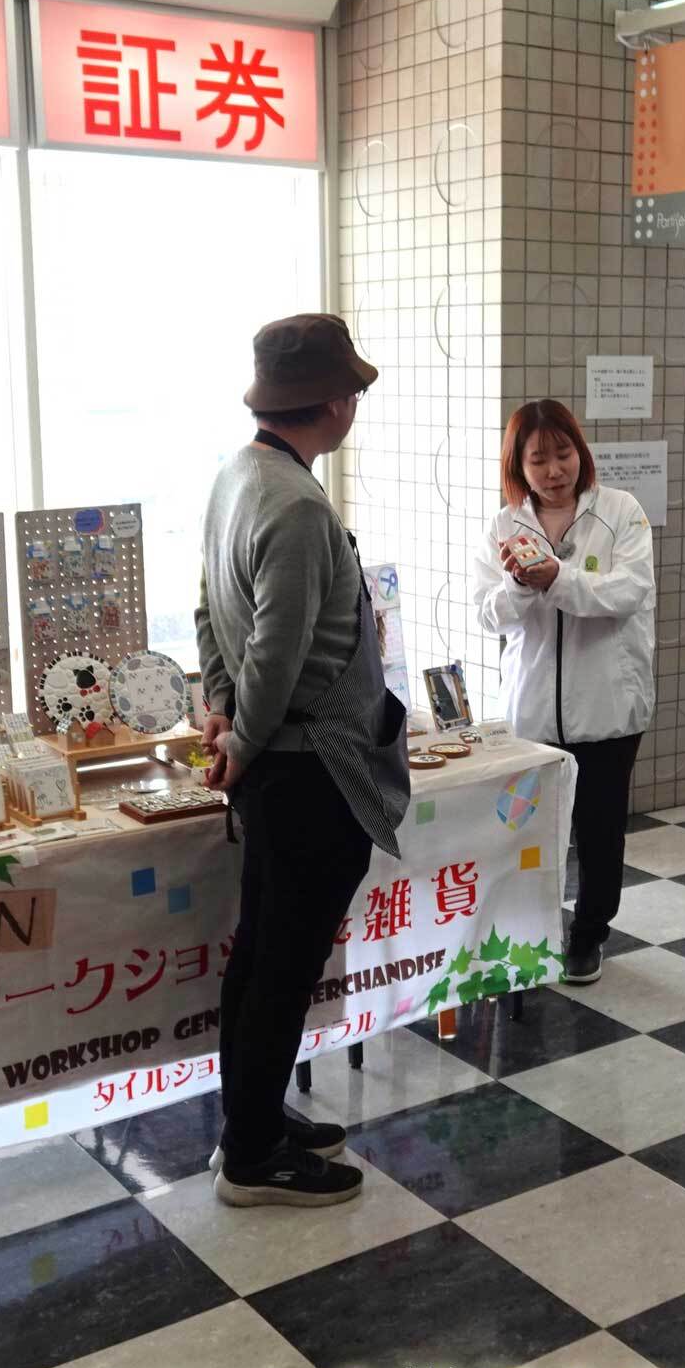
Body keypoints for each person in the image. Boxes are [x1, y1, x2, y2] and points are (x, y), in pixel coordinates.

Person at [197, 313, 410, 1208]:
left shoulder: (238, 475)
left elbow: (209, 609)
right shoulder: (295, 505)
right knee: (282, 967)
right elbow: (277, 654)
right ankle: (253, 1157)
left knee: (261, 956)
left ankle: (250, 1118)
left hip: (276, 764)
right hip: (306, 771)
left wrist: (220, 713)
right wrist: (242, 743)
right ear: (335, 400)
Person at [473, 400, 655, 985]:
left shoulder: (621, 511)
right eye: (538, 459)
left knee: (599, 831)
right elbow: (487, 614)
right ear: (518, 467)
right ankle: (529, 933)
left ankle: (588, 934)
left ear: (581, 452)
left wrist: (558, 577)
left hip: (608, 706)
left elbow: (627, 592)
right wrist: (520, 586)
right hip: (530, 714)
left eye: (563, 453)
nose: (554, 470)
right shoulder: (504, 526)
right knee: (528, 833)